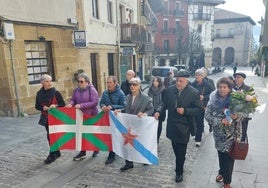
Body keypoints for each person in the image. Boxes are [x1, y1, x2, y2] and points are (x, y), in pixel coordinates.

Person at [154, 70, 203, 183]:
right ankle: (180, 160)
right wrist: (158, 111)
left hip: (184, 126)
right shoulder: (170, 90)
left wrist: (185, 111)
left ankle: (179, 172)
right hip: (172, 125)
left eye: (181, 81)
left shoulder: (193, 92)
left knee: (181, 151)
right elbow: (163, 103)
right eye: (177, 81)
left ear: (186, 81)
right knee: (176, 149)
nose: (178, 83)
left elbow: (199, 109)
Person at [205, 77, 241, 188]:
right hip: (219, 134)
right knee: (221, 155)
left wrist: (237, 116)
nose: (222, 89)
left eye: (224, 87)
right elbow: (207, 116)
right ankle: (221, 172)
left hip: (232, 134)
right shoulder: (212, 100)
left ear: (230, 88)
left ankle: (227, 181)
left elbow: (244, 114)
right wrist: (220, 121)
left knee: (230, 157)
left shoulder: (236, 99)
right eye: (220, 87)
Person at [116, 77, 154, 172]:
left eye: (134, 84)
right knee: (128, 143)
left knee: (141, 143)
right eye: (130, 84)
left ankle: (144, 158)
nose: (132, 86)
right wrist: (120, 111)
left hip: (140, 125)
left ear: (139, 86)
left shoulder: (146, 98)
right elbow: (126, 109)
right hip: (129, 124)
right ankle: (128, 163)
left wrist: (145, 114)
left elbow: (151, 109)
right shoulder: (127, 97)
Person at [66, 73, 99, 160]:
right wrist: (71, 104)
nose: (79, 83)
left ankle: (96, 149)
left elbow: (95, 102)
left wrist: (81, 105)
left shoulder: (92, 90)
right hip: (81, 115)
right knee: (81, 133)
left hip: (91, 114)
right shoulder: (77, 90)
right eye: (78, 81)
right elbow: (73, 99)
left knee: (92, 133)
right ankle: (82, 151)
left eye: (81, 81)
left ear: (87, 82)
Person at [35, 74, 65, 164]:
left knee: (52, 136)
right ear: (42, 83)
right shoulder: (39, 94)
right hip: (46, 118)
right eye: (47, 81)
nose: (49, 83)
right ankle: (56, 152)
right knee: (50, 136)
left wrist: (55, 106)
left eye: (50, 81)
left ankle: (52, 155)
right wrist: (43, 107)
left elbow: (62, 104)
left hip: (55, 118)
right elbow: (37, 106)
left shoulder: (56, 92)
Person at [99, 76, 126, 165]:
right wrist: (103, 106)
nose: (108, 84)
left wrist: (112, 107)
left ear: (115, 83)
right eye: (107, 82)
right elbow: (101, 102)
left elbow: (124, 106)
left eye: (110, 82)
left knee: (114, 136)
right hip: (107, 118)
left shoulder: (120, 93)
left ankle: (112, 154)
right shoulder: (105, 93)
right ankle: (113, 150)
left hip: (116, 118)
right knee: (109, 135)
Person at [191, 69, 214, 147]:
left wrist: (204, 97)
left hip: (203, 106)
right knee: (195, 122)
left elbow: (212, 95)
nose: (197, 76)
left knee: (200, 123)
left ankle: (198, 140)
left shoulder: (207, 84)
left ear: (202, 76)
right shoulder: (192, 84)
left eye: (199, 75)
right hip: (194, 106)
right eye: (196, 75)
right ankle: (195, 135)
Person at [233, 72, 253, 142]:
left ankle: (241, 147)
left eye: (238, 77)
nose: (236, 79)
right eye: (235, 77)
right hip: (232, 114)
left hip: (243, 115)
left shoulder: (248, 88)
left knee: (242, 131)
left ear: (243, 78)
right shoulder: (230, 87)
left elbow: (253, 103)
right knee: (232, 132)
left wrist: (248, 99)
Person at [148, 76, 166, 143]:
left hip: (160, 110)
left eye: (157, 81)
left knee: (159, 125)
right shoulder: (150, 89)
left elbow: (164, 102)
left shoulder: (163, 90)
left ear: (159, 82)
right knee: (151, 125)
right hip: (151, 109)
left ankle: (157, 139)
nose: (155, 82)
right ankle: (152, 138)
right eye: (154, 81)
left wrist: (159, 110)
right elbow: (148, 99)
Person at [201, 67, 216, 132]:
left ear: (206, 74)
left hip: (208, 102)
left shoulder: (210, 81)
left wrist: (204, 97)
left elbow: (213, 93)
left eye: (203, 72)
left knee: (208, 115)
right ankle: (201, 128)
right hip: (200, 103)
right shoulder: (197, 81)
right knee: (200, 117)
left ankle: (210, 125)